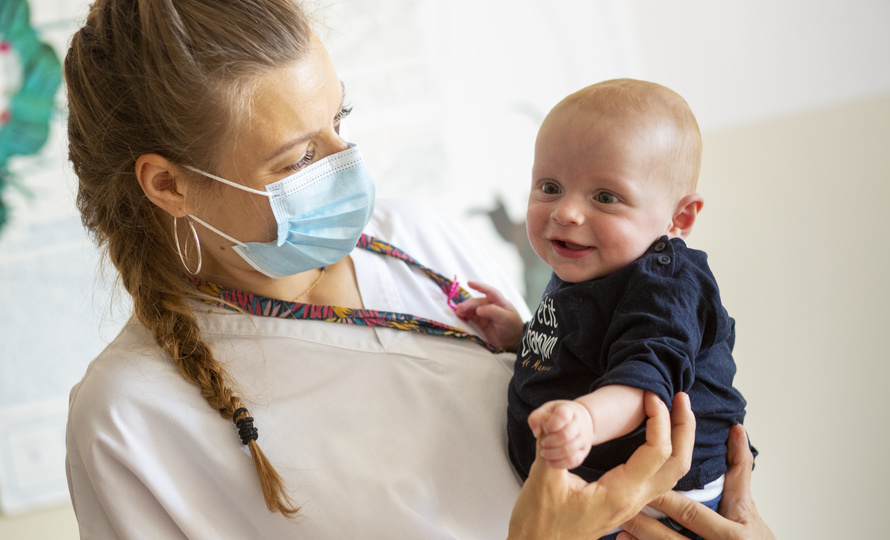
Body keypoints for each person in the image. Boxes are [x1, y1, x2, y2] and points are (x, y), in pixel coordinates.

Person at [63, 1, 772, 538]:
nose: (346, 164)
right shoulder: (128, 421)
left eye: (340, 120)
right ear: (168, 185)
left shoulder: (417, 239)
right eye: (300, 158)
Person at [455, 79, 752, 539]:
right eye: (550, 186)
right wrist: (521, 334)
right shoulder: (593, 258)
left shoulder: (665, 283)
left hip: (659, 501)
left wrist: (587, 418)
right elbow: (585, 341)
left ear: (680, 218)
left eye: (606, 197)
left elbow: (643, 381)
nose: (567, 212)